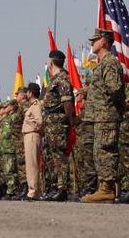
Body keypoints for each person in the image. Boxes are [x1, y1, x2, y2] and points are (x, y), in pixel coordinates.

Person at [81, 28, 125, 204]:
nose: (92, 43)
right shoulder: (102, 63)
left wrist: (111, 106)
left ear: (104, 42)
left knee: (105, 150)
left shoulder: (110, 63)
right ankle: (103, 187)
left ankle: (107, 188)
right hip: (98, 115)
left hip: (106, 114)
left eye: (95, 40)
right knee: (98, 151)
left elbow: (115, 88)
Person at [42, 50, 75, 202]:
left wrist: (70, 122)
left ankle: (62, 189)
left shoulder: (62, 79)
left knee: (59, 156)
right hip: (50, 123)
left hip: (58, 123)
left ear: (51, 63)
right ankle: (55, 186)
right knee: (52, 156)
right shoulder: (54, 79)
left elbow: (67, 103)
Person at [22, 82, 43, 201]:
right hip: (29, 135)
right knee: (30, 164)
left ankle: (33, 191)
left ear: (31, 92)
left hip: (32, 135)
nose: (26, 94)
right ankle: (34, 190)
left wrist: (30, 122)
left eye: (27, 91)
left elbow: (39, 122)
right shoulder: (31, 106)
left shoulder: (36, 105)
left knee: (32, 164)